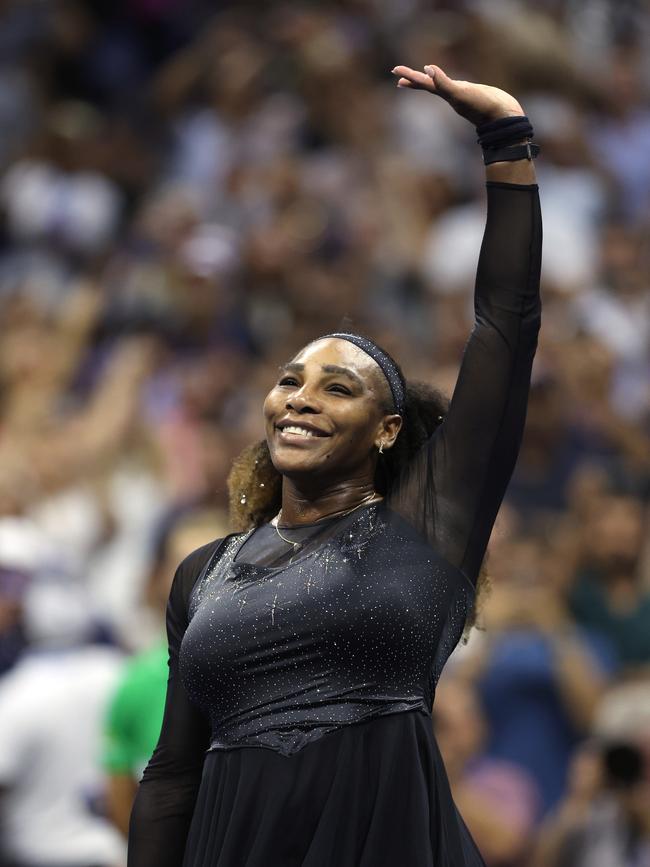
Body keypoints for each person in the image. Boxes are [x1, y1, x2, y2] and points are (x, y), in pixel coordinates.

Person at [128, 62, 542, 867]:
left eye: (337, 386)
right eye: (289, 380)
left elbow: (507, 325)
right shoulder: (201, 574)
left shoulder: (430, 527)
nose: (300, 398)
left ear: (386, 430)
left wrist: (506, 140)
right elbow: (173, 772)